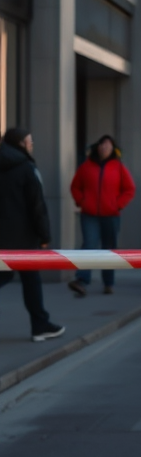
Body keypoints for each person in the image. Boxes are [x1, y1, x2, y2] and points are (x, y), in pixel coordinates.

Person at [0, 128, 65, 342]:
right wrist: (44, 235)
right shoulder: (27, 168)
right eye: (29, 142)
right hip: (23, 238)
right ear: (20, 144)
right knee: (31, 279)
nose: (31, 146)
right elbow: (37, 206)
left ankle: (41, 323)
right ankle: (40, 325)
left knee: (12, 276)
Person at [68, 135, 136, 296]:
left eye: (108, 145)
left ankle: (108, 282)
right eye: (102, 145)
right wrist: (81, 202)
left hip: (111, 215)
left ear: (113, 149)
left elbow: (129, 189)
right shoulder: (86, 167)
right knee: (88, 247)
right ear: (97, 147)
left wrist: (117, 205)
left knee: (109, 250)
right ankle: (82, 280)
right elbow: (75, 187)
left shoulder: (118, 167)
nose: (104, 148)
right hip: (89, 214)